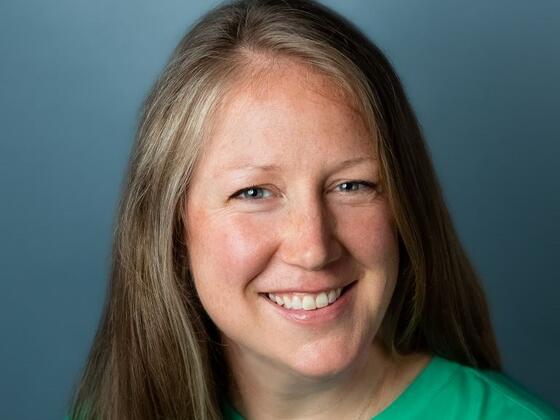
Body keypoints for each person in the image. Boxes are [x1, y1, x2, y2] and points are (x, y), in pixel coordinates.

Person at [68, 0, 559, 419]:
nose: (313, 248)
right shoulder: (113, 409)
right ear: (173, 228)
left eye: (352, 185)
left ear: (404, 209)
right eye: (254, 193)